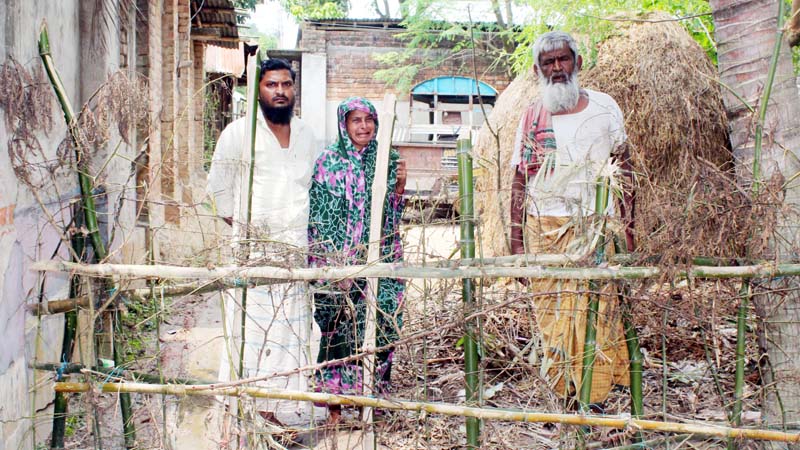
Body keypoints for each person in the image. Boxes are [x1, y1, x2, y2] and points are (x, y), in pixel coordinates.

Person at [509, 31, 635, 404]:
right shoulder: (531, 115)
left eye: (563, 59)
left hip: (596, 227)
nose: (557, 68)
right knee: (551, 313)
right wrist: (516, 242)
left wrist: (629, 228)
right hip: (544, 228)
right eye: (548, 62)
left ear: (577, 62)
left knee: (597, 311)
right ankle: (563, 391)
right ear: (538, 70)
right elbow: (519, 177)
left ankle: (595, 396)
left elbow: (624, 169)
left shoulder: (605, 108)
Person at [207, 58, 323, 428]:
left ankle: (279, 413)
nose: (280, 91)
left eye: (286, 84)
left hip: (296, 254)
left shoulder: (308, 136)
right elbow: (219, 191)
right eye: (272, 84)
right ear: (259, 89)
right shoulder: (238, 134)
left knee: (292, 332)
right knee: (251, 333)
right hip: (254, 255)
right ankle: (248, 414)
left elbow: (313, 190)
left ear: (294, 89)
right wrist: (248, 230)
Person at [307, 97, 407, 425]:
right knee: (336, 329)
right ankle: (335, 405)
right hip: (337, 262)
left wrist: (400, 186)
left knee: (381, 324)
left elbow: (394, 212)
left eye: (369, 120)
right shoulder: (327, 162)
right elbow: (318, 217)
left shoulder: (388, 160)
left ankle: (371, 399)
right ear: (343, 124)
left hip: (380, 255)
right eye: (355, 120)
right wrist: (334, 260)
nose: (363, 126)